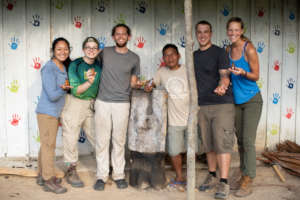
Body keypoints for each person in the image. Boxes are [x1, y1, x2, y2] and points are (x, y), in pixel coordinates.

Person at [93, 24, 142, 191]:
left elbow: (134, 82)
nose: (121, 36)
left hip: (122, 103)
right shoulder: (104, 52)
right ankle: (101, 176)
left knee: (119, 141)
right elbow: (91, 64)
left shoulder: (134, 58)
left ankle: (119, 175)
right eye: (117, 34)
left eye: (124, 34)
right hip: (102, 102)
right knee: (102, 141)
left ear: (129, 37)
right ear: (113, 36)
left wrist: (142, 85)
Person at [194, 20, 235, 200]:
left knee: (222, 144)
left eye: (206, 32)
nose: (202, 35)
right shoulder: (193, 55)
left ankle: (224, 182)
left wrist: (223, 86)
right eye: (199, 32)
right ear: (196, 34)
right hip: (203, 105)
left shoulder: (220, 52)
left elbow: (225, 76)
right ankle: (211, 175)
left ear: (211, 33)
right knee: (208, 143)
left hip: (222, 105)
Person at [144, 44, 190, 189]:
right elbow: (152, 83)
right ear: (163, 58)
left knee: (192, 149)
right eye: (166, 55)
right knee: (174, 151)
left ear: (179, 56)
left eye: (172, 54)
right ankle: (180, 177)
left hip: (191, 118)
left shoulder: (188, 71)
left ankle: (192, 177)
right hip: (174, 119)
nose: (170, 58)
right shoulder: (161, 72)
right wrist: (148, 85)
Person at [226, 17, 263, 197]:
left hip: (252, 100)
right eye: (230, 30)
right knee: (240, 141)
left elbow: (256, 76)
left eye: (236, 30)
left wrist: (243, 72)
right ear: (227, 32)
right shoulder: (228, 50)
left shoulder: (249, 49)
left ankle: (249, 179)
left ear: (241, 31)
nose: (233, 33)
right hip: (236, 101)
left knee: (248, 141)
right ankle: (243, 173)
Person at [61, 36, 101, 188]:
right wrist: (89, 81)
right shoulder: (75, 64)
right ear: (84, 49)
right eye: (88, 47)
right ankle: (71, 169)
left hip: (91, 104)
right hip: (75, 104)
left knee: (97, 135)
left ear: (98, 51)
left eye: (94, 48)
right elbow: (76, 90)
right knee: (70, 136)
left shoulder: (98, 66)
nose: (91, 50)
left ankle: (104, 166)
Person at [35, 37, 72, 194]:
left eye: (65, 49)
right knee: (49, 146)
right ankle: (48, 180)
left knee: (46, 144)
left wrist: (67, 86)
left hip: (53, 113)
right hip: (47, 112)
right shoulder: (49, 68)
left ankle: (41, 175)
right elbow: (51, 94)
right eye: (59, 49)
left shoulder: (63, 66)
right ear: (53, 51)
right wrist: (65, 88)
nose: (63, 52)